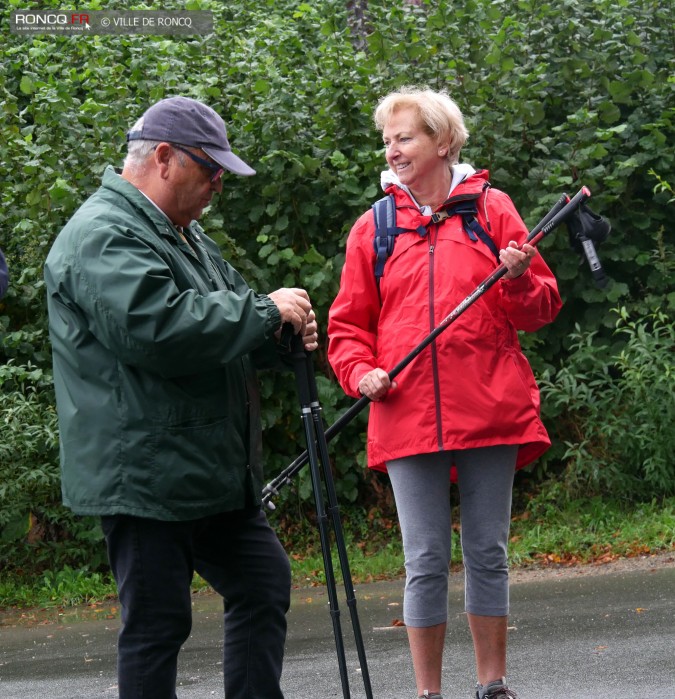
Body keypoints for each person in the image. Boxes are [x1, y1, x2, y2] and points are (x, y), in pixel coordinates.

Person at [44, 96, 319, 699]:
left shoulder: (184, 235)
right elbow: (160, 330)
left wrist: (279, 336)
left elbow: (228, 322)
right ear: (164, 157)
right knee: (158, 625)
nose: (219, 184)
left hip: (207, 471)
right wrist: (263, 311)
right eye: (210, 168)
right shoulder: (100, 234)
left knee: (262, 582)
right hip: (143, 475)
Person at [327, 87, 562, 699]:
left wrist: (515, 278)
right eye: (388, 139)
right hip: (405, 415)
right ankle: (427, 694)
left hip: (491, 409)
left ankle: (492, 686)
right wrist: (361, 374)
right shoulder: (373, 227)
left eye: (405, 137)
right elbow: (348, 328)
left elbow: (541, 306)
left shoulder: (492, 209)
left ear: (443, 141)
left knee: (488, 552)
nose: (393, 148)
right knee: (424, 560)